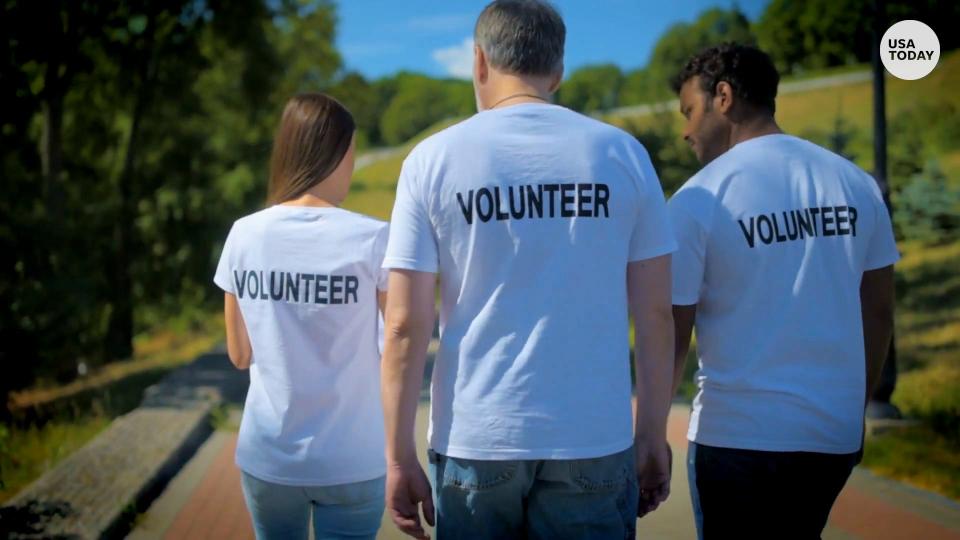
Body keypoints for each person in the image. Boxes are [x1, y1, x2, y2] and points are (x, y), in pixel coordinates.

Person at [379, 1, 677, 538]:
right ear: (558, 71)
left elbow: (403, 324)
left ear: (479, 62)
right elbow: (655, 312)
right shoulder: (624, 154)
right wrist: (651, 433)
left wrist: (398, 455)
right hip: (593, 436)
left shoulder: (431, 160)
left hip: (477, 436)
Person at [668, 44, 898, 539]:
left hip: (736, 437)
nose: (685, 130)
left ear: (723, 97)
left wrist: (647, 437)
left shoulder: (697, 199)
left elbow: (673, 330)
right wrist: (852, 410)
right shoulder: (854, 183)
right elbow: (878, 312)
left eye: (689, 111)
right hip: (829, 435)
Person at [214, 93, 389, 540]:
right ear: (341, 152)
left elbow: (239, 354)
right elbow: (398, 350)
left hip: (269, 457)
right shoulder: (374, 239)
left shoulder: (244, 235)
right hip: (352, 458)